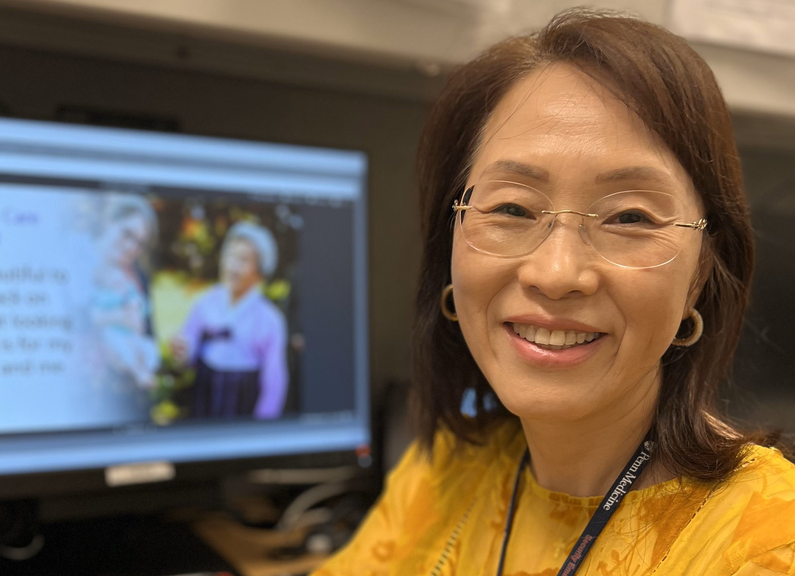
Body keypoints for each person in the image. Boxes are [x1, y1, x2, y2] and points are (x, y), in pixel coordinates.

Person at [315, 9, 795, 576]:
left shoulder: (763, 542)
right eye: (511, 208)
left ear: (700, 276)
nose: (557, 271)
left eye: (630, 217)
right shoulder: (445, 471)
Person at [171, 221, 288, 419]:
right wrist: (184, 349)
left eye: (243, 260)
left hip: (242, 402)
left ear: (259, 271)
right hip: (204, 396)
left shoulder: (269, 319)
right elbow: (189, 337)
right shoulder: (207, 300)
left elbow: (274, 383)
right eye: (230, 256)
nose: (232, 266)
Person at [90, 194, 159, 393]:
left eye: (139, 243)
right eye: (127, 234)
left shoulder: (139, 278)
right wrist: (120, 317)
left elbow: (148, 329)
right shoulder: (77, 263)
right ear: (110, 221)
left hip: (128, 397)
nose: (131, 248)